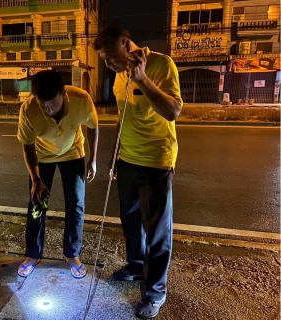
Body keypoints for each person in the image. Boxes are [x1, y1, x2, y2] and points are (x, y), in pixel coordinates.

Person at [93, 25, 183, 319]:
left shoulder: (161, 64)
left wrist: (142, 79)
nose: (107, 64)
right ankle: (135, 266)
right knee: (131, 221)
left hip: (156, 160)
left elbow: (172, 111)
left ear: (126, 43)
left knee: (157, 231)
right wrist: (114, 155)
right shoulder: (119, 77)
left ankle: (155, 292)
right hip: (128, 160)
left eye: (109, 57)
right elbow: (124, 117)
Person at [16, 70, 99, 279]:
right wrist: (35, 180)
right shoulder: (28, 110)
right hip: (42, 155)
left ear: (64, 93)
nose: (49, 110)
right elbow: (27, 147)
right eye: (44, 106)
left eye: (53, 104)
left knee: (76, 202)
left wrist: (93, 160)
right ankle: (33, 254)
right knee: (37, 203)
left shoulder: (81, 100)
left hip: (73, 152)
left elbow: (94, 126)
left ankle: (72, 254)